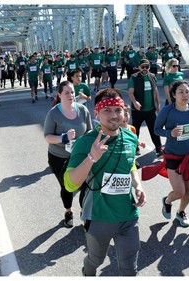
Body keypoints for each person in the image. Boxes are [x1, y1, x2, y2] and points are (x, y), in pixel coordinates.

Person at [63, 88, 147, 276]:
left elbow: (130, 164)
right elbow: (70, 184)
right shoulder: (86, 143)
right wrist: (91, 158)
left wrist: (138, 185)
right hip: (99, 216)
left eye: (117, 110)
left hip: (128, 214)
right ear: (96, 113)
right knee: (96, 259)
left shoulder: (131, 138)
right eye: (106, 110)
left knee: (130, 268)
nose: (114, 115)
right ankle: (88, 271)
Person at [154, 80, 189, 227]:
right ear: (174, 95)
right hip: (173, 155)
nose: (185, 95)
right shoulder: (167, 110)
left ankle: (181, 212)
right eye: (181, 92)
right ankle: (167, 201)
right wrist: (169, 133)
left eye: (187, 91)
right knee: (179, 191)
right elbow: (156, 129)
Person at [44, 81, 93, 228]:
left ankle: (84, 212)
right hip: (59, 157)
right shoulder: (53, 113)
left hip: (79, 157)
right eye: (67, 93)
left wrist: (85, 141)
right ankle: (68, 211)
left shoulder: (83, 110)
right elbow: (47, 136)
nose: (71, 95)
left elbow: (89, 131)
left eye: (72, 92)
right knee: (67, 187)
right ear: (59, 95)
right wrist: (63, 138)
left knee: (85, 186)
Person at [128, 59, 163, 157]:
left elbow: (155, 91)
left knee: (154, 130)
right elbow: (130, 92)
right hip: (138, 110)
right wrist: (135, 102)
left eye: (147, 67)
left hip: (150, 110)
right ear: (139, 67)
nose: (145, 69)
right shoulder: (134, 77)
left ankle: (159, 149)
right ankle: (135, 148)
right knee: (135, 130)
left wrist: (158, 104)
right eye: (143, 67)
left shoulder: (152, 76)